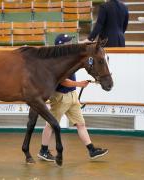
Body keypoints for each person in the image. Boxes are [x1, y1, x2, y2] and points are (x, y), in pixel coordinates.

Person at [37, 34, 108, 162]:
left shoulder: (68, 58)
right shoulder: (56, 62)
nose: (70, 43)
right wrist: (79, 84)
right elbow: (63, 81)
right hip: (60, 98)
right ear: (61, 45)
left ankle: (91, 150)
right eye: (67, 42)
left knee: (80, 124)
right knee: (50, 125)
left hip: (72, 96)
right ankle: (43, 150)